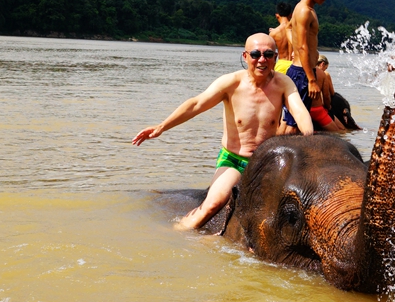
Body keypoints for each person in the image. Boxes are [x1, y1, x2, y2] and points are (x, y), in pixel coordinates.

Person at [133, 33, 314, 230]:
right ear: (245, 57)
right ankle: (176, 234)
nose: (262, 60)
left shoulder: (284, 83)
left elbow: (300, 112)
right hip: (234, 160)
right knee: (212, 205)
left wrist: (311, 142)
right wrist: (162, 126)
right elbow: (197, 104)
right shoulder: (231, 83)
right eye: (256, 54)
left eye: (268, 54)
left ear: (276, 58)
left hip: (266, 162)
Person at [282, 0, 339, 134]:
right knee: (293, 126)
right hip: (302, 74)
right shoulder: (305, 11)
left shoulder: (302, 9)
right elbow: (303, 46)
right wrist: (311, 80)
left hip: (299, 70)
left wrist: (296, 50)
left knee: (289, 123)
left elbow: (288, 28)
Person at [269, 2, 294, 74]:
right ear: (291, 15)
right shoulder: (298, 31)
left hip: (281, 65)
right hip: (295, 65)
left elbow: (271, 55)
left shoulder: (274, 33)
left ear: (277, 15)